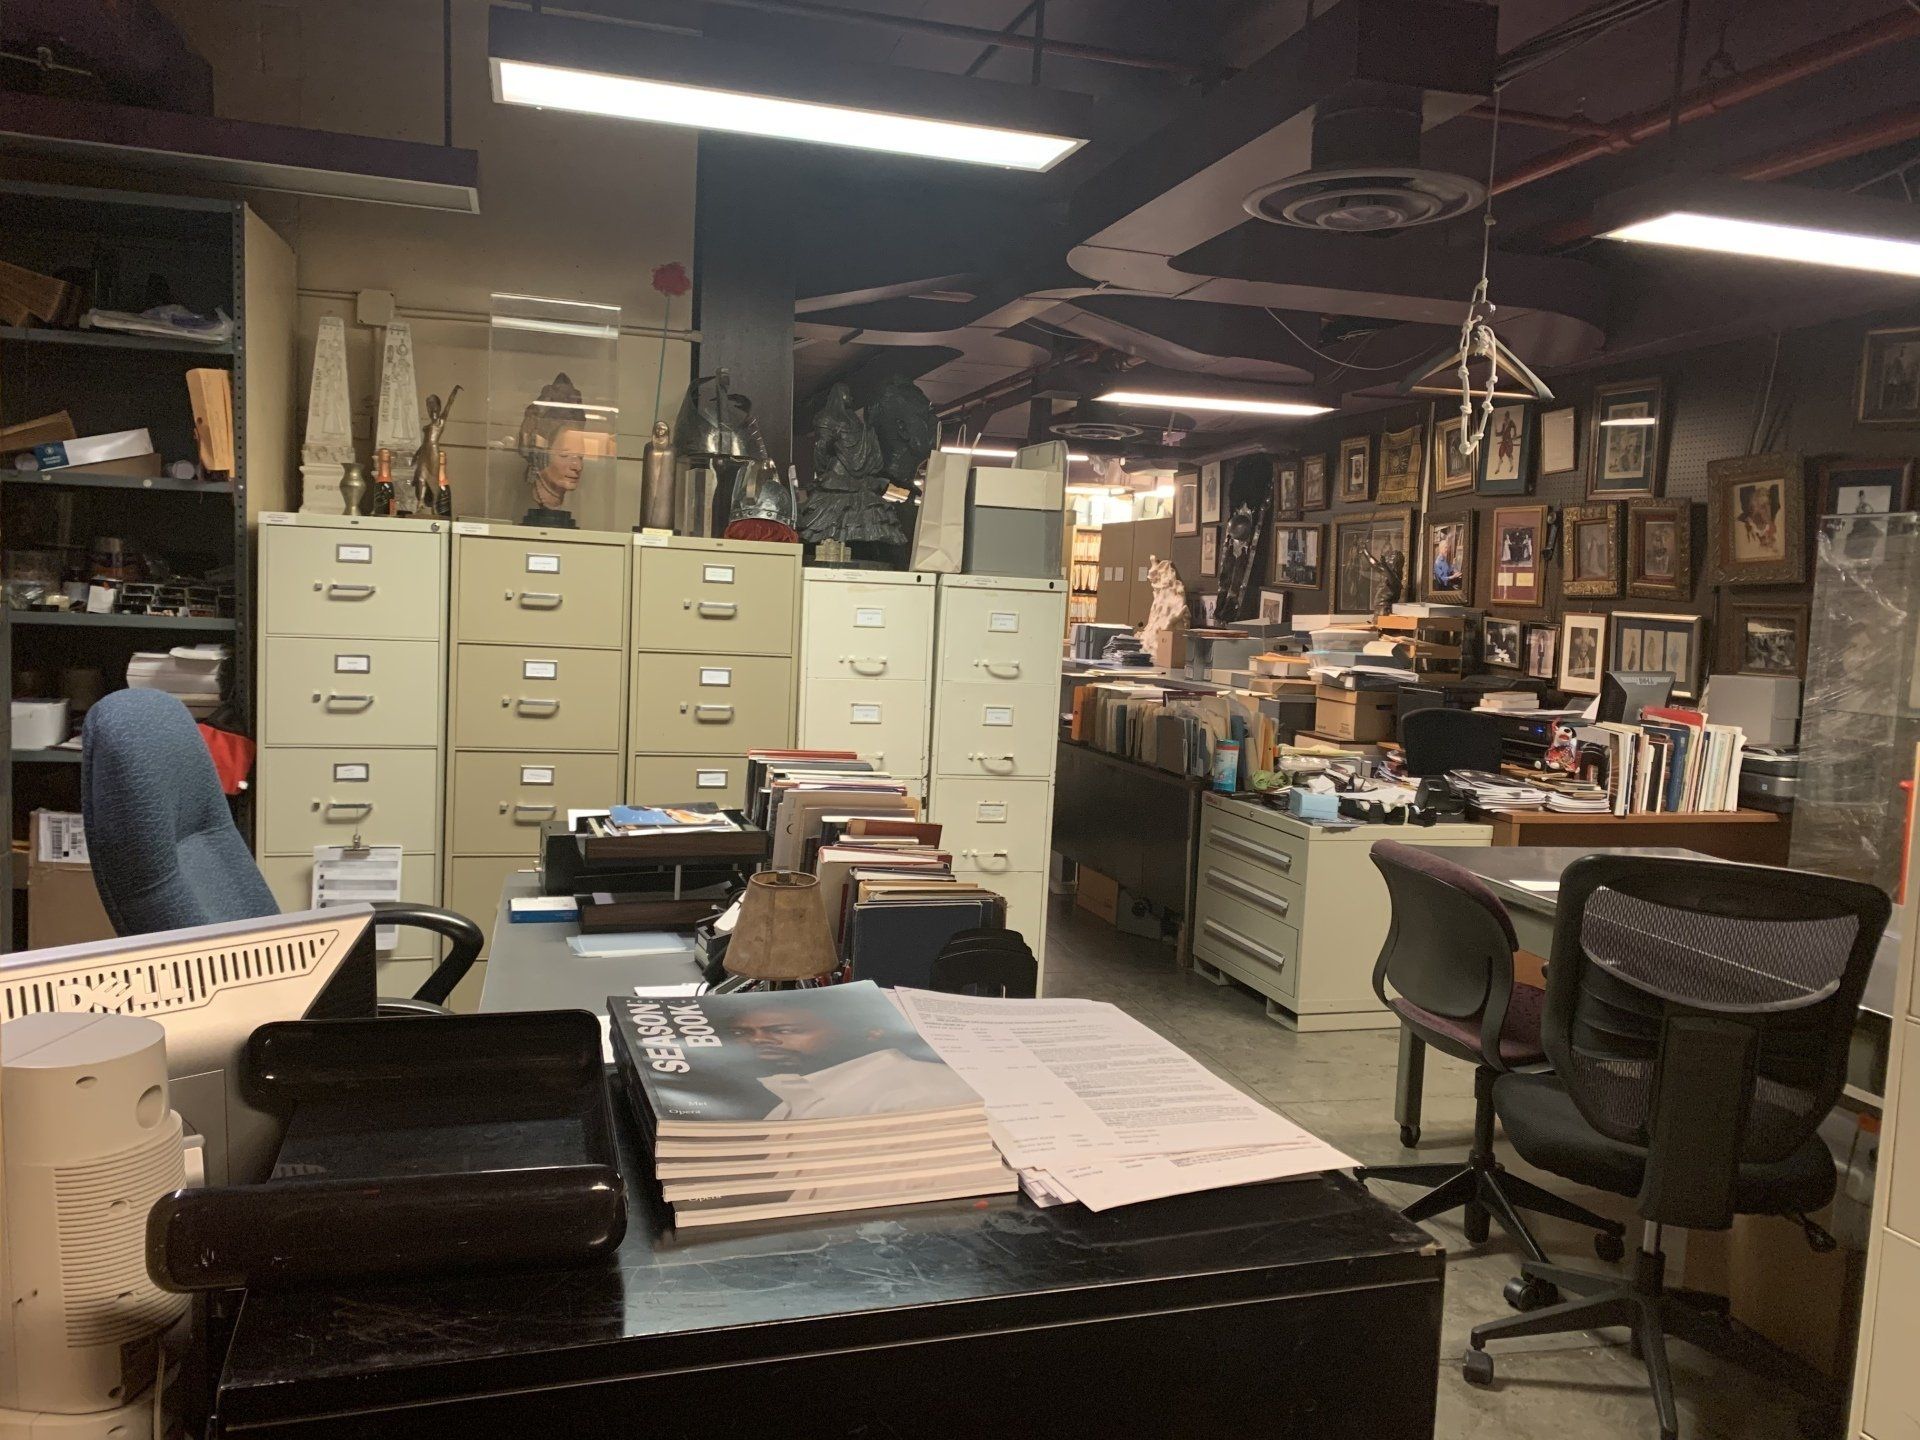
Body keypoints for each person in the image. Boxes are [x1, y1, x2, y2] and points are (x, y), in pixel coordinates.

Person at [726, 1002, 978, 1121]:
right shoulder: (795, 1096)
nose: (759, 1041)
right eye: (742, 1034)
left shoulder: (916, 1095)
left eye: (785, 1030)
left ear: (869, 1032)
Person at [1739, 483, 1779, 555]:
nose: (1767, 510)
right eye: (1763, 506)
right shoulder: (1744, 528)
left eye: (1768, 504)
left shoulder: (1774, 526)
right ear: (1754, 510)